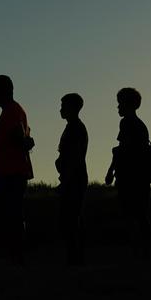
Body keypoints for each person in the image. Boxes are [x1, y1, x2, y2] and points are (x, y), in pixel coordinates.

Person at [0, 74, 34, 264]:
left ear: (3, 91)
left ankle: (15, 255)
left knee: (11, 215)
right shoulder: (13, 110)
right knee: (11, 214)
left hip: (12, 173)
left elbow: (19, 139)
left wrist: (24, 142)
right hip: (10, 172)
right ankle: (15, 254)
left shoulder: (12, 112)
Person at [106, 87, 151, 258]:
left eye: (120, 103)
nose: (118, 107)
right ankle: (144, 251)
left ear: (127, 104)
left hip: (129, 176)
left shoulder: (126, 123)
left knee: (130, 215)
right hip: (141, 175)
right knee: (141, 214)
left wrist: (111, 170)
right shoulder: (141, 125)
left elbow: (122, 149)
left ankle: (135, 251)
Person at [57, 93, 89, 264]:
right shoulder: (72, 127)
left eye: (63, 106)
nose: (60, 109)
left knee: (72, 218)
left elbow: (75, 157)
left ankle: (75, 257)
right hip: (71, 177)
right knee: (71, 218)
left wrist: (66, 179)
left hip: (74, 178)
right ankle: (74, 256)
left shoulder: (76, 128)